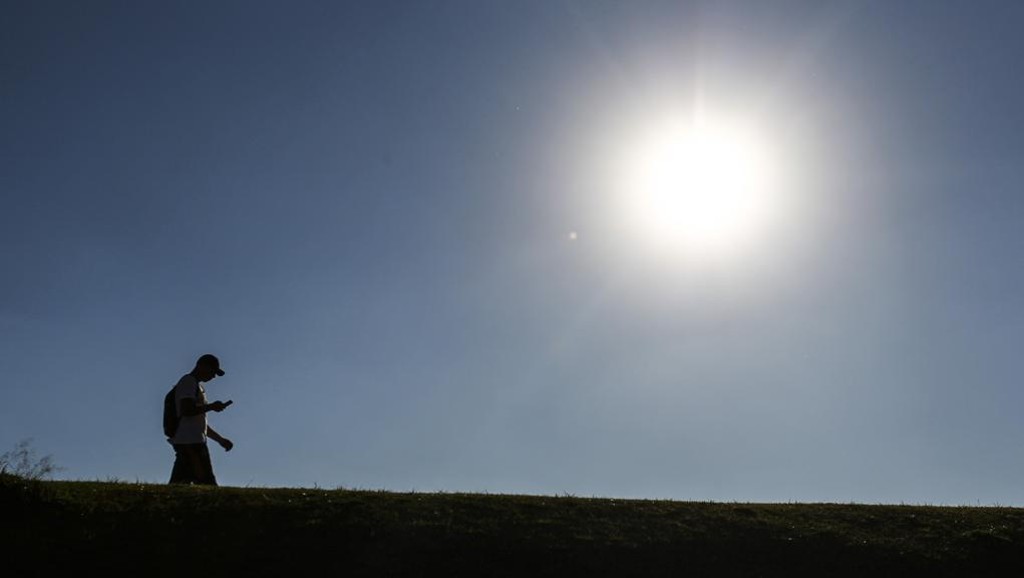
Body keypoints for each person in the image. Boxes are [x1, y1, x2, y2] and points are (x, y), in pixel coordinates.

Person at [168, 353, 234, 485]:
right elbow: (186, 410)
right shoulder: (188, 382)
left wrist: (220, 440)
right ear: (201, 366)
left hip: (190, 441)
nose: (213, 376)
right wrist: (211, 407)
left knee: (179, 483)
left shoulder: (197, 387)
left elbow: (198, 423)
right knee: (207, 483)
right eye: (212, 371)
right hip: (191, 442)